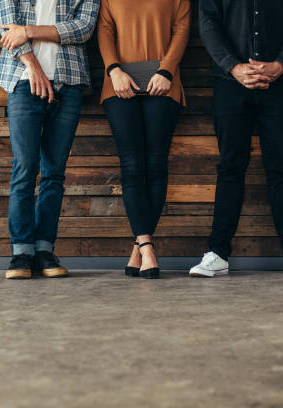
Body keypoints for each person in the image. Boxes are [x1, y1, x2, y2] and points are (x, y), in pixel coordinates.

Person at [191, 0, 283, 278]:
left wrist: (282, 63)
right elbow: (208, 23)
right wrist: (233, 67)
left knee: (280, 168)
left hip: (281, 85)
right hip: (230, 85)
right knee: (230, 167)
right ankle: (218, 253)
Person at [0, 0, 100, 279]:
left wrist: (28, 31)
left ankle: (43, 250)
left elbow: (84, 28)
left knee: (54, 172)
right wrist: (33, 66)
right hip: (22, 82)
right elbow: (7, 29)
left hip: (69, 84)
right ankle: (21, 252)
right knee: (25, 168)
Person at [97, 0, 190, 279]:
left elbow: (182, 30)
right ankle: (147, 246)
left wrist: (166, 71)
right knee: (132, 165)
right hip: (118, 84)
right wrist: (114, 70)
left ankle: (141, 245)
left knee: (156, 165)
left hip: (163, 84)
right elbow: (103, 31)